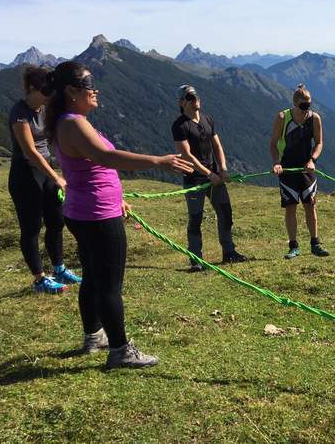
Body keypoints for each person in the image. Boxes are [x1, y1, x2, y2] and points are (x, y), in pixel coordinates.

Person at [46, 61, 193, 369]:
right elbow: (106, 157)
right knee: (109, 285)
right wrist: (159, 161)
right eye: (89, 85)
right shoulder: (74, 123)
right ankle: (121, 350)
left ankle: (94, 336)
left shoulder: (66, 121)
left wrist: (119, 198)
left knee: (94, 279)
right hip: (98, 215)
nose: (95, 90)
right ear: (72, 92)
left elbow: (90, 167)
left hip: (85, 209)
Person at [8, 65, 81, 294]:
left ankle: (59, 268)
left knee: (56, 222)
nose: (49, 97)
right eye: (45, 92)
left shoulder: (43, 109)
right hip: (26, 175)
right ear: (32, 89)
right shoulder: (19, 113)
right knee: (31, 228)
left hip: (47, 171)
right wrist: (56, 176)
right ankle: (40, 279)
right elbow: (30, 151)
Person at [172, 84, 246, 272]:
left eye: (196, 96)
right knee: (195, 218)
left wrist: (223, 169)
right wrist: (209, 174)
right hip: (194, 179)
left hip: (214, 177)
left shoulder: (207, 119)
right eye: (189, 97)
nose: (194, 100)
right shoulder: (180, 125)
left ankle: (229, 252)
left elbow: (217, 146)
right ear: (182, 102)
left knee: (225, 213)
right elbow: (187, 155)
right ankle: (196, 259)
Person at [268, 84, 330, 259]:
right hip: (287, 168)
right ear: (294, 104)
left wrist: (313, 160)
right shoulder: (282, 117)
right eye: (303, 106)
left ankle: (315, 243)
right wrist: (276, 162)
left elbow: (319, 142)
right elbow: (273, 143)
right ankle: (293, 246)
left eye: (309, 105)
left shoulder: (314, 118)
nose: (306, 109)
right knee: (290, 207)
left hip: (306, 168)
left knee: (310, 204)